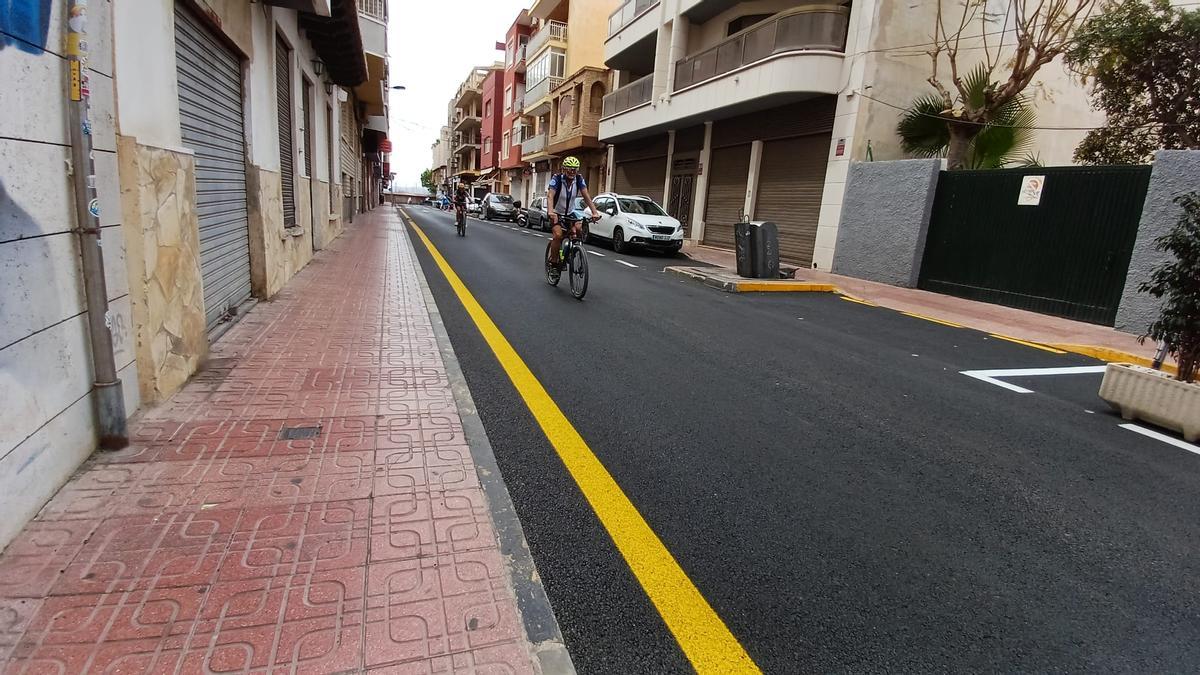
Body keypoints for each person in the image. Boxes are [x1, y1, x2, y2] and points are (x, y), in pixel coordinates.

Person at [546, 156, 600, 266]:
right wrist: (551, 212)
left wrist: (594, 212)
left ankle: (574, 251)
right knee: (558, 235)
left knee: (579, 229)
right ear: (564, 169)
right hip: (556, 213)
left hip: (570, 212)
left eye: (575, 169)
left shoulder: (579, 179)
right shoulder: (556, 179)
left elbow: (586, 197)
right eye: (569, 169)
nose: (572, 172)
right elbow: (550, 195)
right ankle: (554, 263)